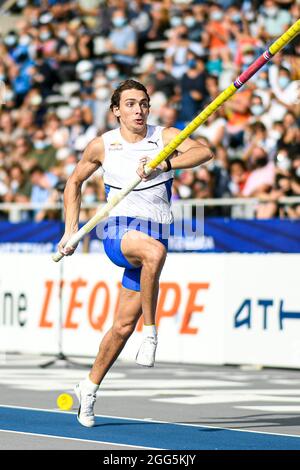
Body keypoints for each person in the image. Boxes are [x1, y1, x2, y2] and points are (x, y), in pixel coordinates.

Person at [58, 79, 213, 427]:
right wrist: (70, 230)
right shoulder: (104, 145)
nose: (139, 110)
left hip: (157, 229)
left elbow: (204, 152)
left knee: (121, 326)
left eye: (143, 103)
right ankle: (152, 332)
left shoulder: (164, 136)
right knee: (154, 254)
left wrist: (166, 165)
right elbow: (74, 182)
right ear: (116, 111)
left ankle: (89, 386)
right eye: (130, 104)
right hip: (119, 231)